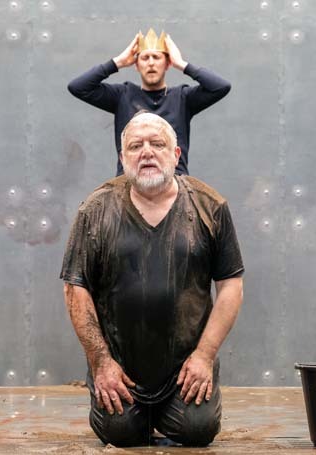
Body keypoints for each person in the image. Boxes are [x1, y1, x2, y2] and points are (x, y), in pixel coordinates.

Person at [60, 112, 244, 447]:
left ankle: (179, 405)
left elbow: (231, 285)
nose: (146, 152)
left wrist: (204, 356)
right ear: (122, 157)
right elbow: (75, 288)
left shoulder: (210, 206)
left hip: (185, 369)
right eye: (135, 146)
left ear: (176, 155)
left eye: (157, 144)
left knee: (197, 431)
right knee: (121, 433)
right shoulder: (95, 210)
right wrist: (101, 363)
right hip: (120, 367)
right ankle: (127, 408)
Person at [68, 28, 231, 177]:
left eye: (157, 57)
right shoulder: (123, 95)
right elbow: (78, 87)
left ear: (167, 64)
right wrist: (118, 62)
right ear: (136, 65)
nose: (151, 63)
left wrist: (181, 64)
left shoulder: (182, 97)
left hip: (174, 184)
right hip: (129, 184)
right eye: (145, 58)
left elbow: (220, 87)